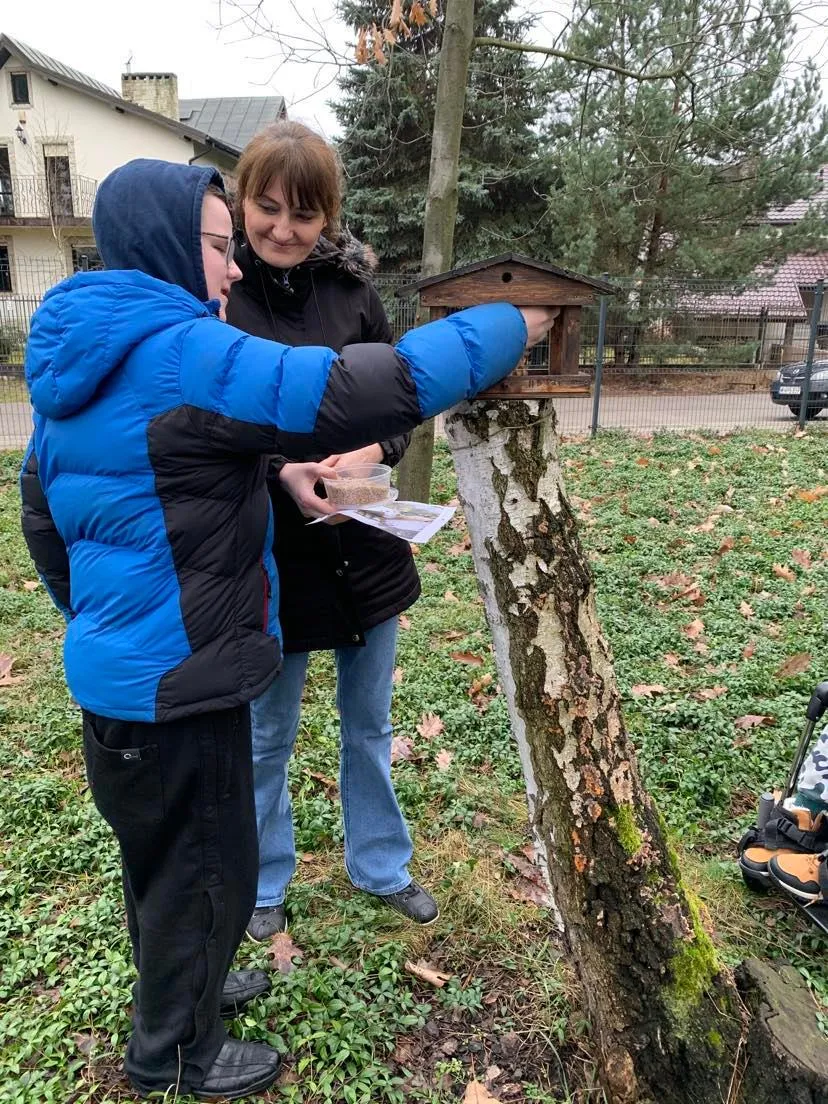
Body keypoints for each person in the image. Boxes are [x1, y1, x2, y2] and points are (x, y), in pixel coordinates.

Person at [19, 156, 555, 1101]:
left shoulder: (79, 360)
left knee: (168, 866)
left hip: (125, 681)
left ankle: (203, 984)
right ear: (169, 248)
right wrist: (512, 323)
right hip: (181, 683)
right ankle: (175, 1055)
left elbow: (39, 520)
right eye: (221, 246)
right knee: (206, 865)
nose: (231, 271)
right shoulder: (177, 349)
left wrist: (103, 627)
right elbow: (349, 395)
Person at [226, 122, 433, 941]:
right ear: (242, 200)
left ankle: (380, 863)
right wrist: (282, 469)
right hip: (268, 554)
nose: (282, 228)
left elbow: (403, 398)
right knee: (265, 731)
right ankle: (264, 878)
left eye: (303, 213)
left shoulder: (354, 292)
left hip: (364, 542)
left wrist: (377, 445)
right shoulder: (219, 295)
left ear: (328, 217)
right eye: (266, 207)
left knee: (370, 720)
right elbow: (205, 419)